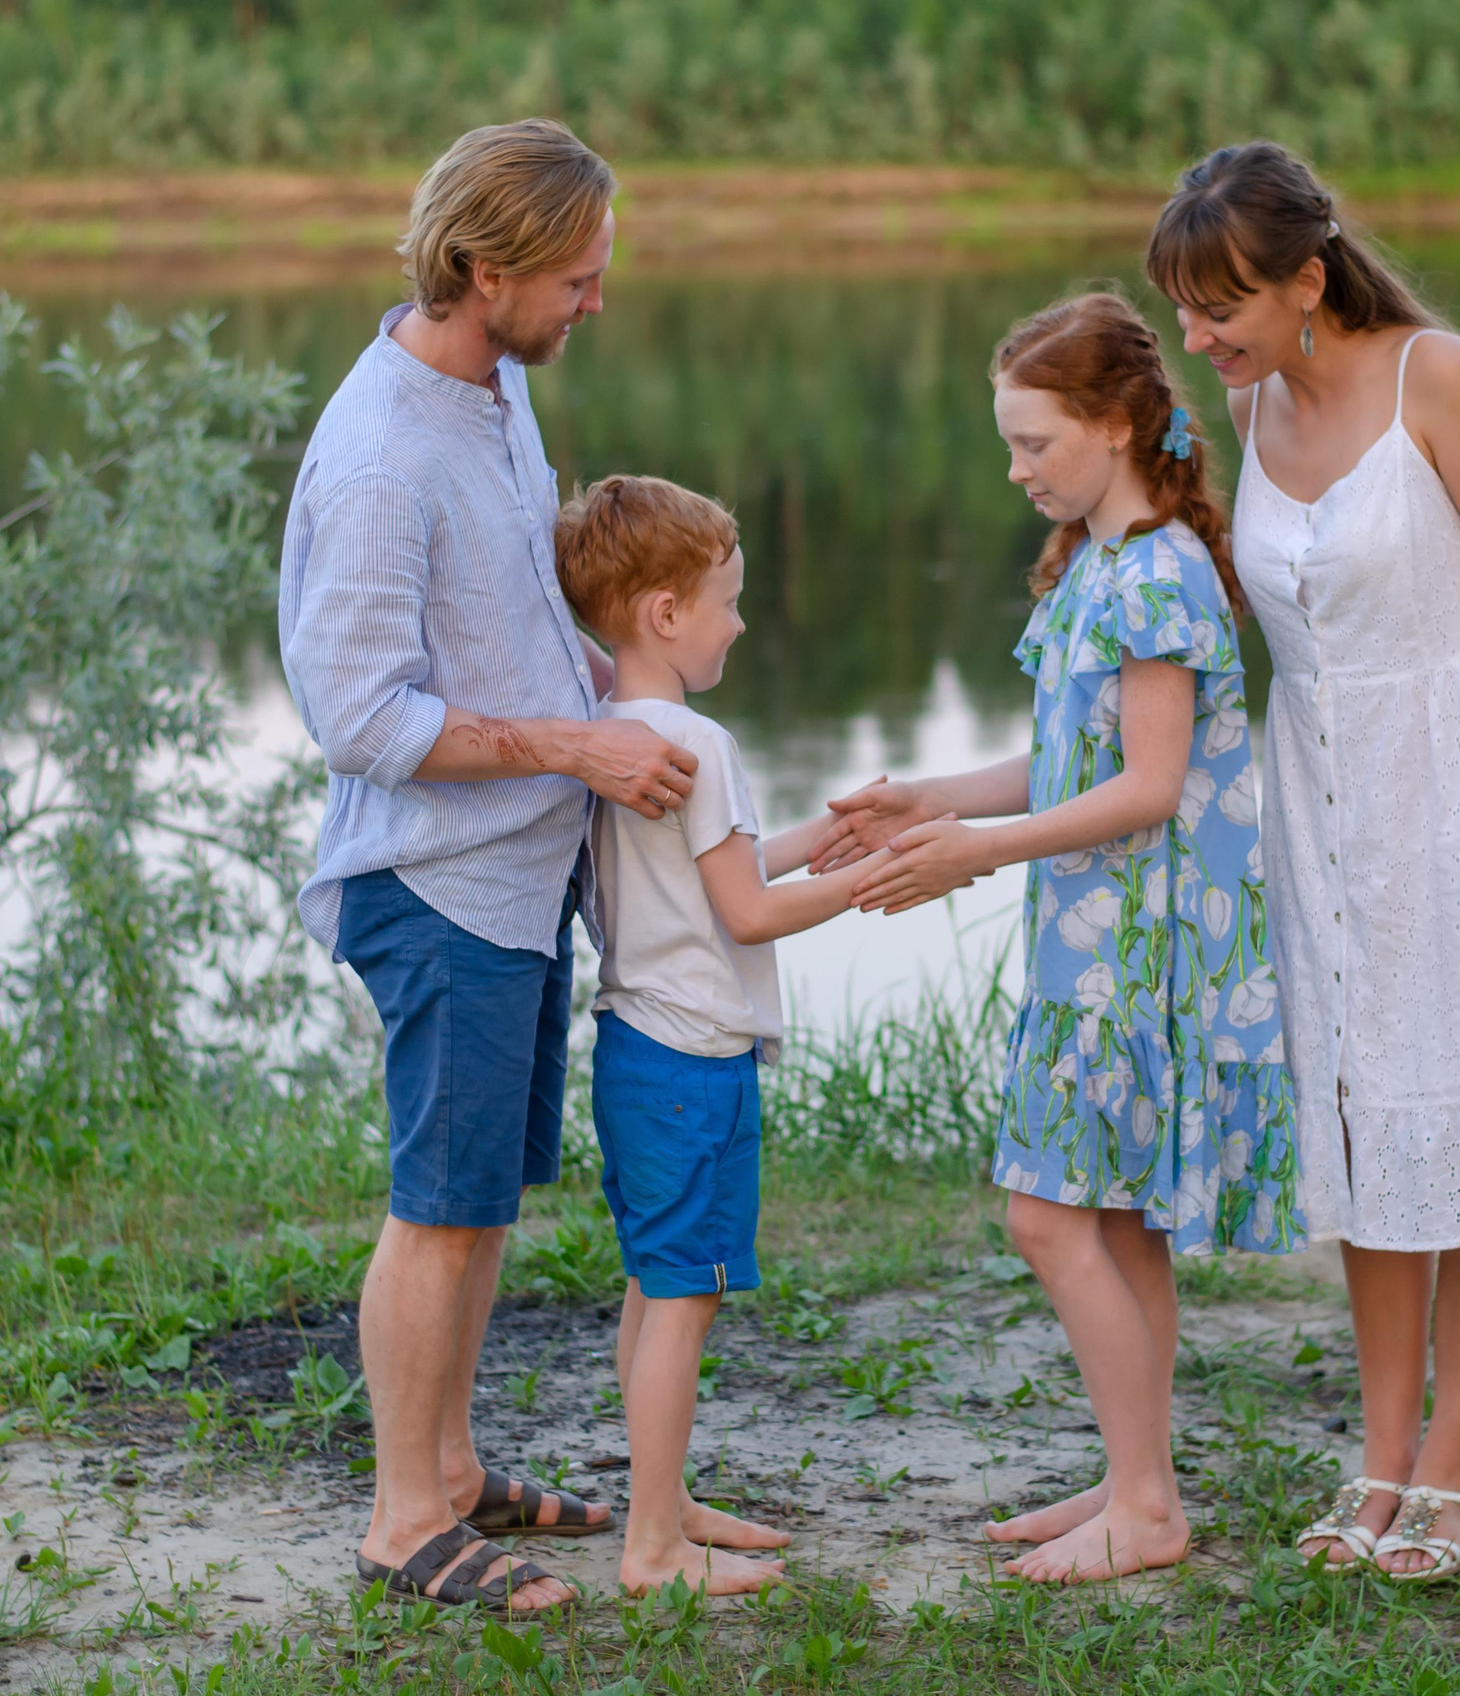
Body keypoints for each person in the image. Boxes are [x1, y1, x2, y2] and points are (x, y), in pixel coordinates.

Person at [1148, 141, 1460, 1581]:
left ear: (1309, 277)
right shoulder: (1248, 399)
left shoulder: (1441, 378)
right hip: (1323, 815)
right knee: (1366, 1127)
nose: (1200, 335)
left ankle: (1452, 1457)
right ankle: (1376, 1454)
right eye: (1183, 307)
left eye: (1220, 304)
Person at [278, 119, 705, 1615]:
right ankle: (404, 1523)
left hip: (518, 881)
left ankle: (454, 1470)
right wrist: (575, 749)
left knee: (482, 1200)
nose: (595, 303)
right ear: (481, 268)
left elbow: (516, 609)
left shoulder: (496, 387)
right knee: (437, 1207)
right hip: (439, 886)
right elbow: (363, 719)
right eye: (575, 280)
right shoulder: (386, 458)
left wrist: (623, 685)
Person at [812, 292, 1299, 1585]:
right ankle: (1135, 1477)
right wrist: (935, 800)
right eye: (1011, 446)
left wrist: (973, 857)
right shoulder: (1101, 564)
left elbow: (1147, 788)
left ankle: (1146, 1506)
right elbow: (1070, 759)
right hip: (1099, 946)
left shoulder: (1163, 575)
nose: (1018, 471)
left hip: (1146, 959)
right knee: (1115, 1221)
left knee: (1047, 1218)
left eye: (1035, 443)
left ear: (1120, 422)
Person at [555, 474, 888, 1596]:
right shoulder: (698, 737)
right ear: (665, 612)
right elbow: (743, 912)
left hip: (636, 1044)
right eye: (728, 602)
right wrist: (869, 883)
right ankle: (652, 1548)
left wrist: (823, 843)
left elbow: (715, 879)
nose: (740, 622)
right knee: (682, 1299)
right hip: (696, 1060)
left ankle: (664, 1499)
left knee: (655, 1287)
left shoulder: (605, 734)